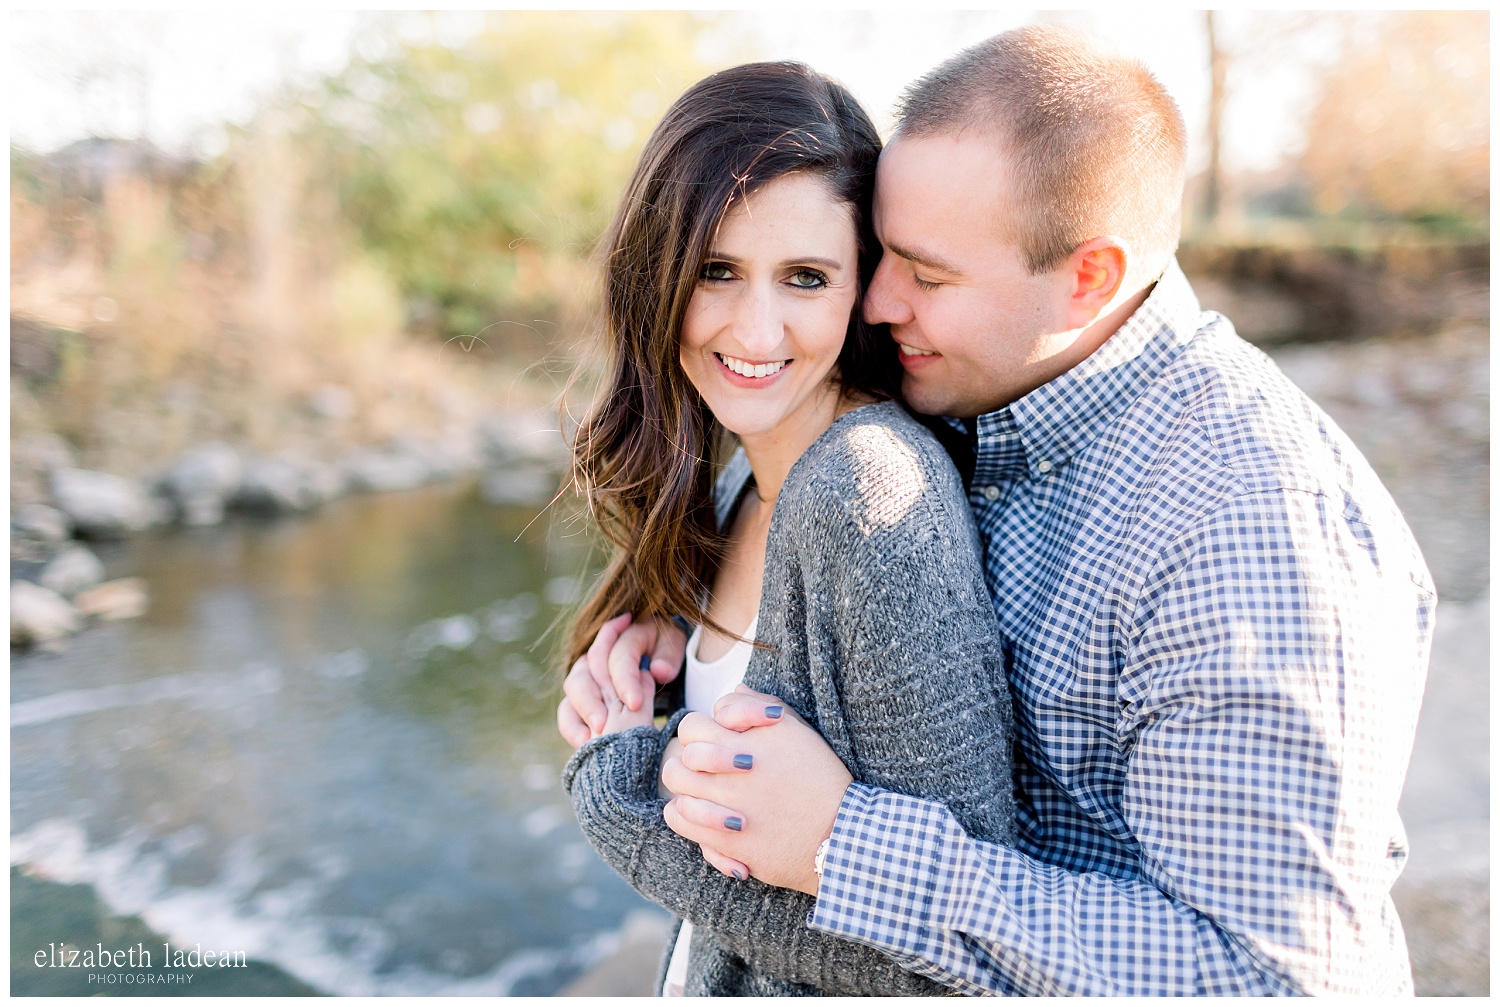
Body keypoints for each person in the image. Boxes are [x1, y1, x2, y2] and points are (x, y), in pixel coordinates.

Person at [580, 25, 1436, 997]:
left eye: (927, 274)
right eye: (880, 255)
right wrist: (684, 641)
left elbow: (1275, 982)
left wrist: (841, 845)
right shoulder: (972, 397)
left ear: (1090, 279)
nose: (874, 301)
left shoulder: (1246, 523)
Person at [556, 61, 1016, 996]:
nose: (756, 332)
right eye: (717, 270)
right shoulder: (748, 477)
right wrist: (675, 656)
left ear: (860, 292)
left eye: (805, 277)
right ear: (659, 270)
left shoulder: (867, 492)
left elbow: (945, 968)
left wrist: (622, 789)